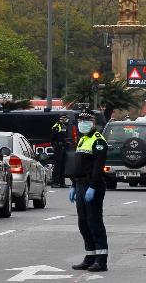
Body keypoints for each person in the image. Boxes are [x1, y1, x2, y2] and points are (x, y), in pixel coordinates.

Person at [68, 108, 109, 272]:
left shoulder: (98, 141)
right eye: (80, 121)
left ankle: (101, 259)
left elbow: (98, 167)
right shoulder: (82, 139)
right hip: (80, 184)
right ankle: (90, 256)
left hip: (93, 185)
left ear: (93, 123)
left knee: (94, 222)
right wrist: (73, 185)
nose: (82, 124)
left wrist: (92, 186)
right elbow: (79, 165)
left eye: (86, 121)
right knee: (83, 222)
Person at [51, 114, 70, 188]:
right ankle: (54, 182)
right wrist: (55, 145)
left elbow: (64, 137)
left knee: (63, 166)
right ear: (62, 119)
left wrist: (66, 143)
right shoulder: (56, 126)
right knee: (57, 165)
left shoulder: (64, 126)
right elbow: (53, 138)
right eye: (66, 118)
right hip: (58, 148)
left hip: (63, 147)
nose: (67, 120)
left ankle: (62, 183)